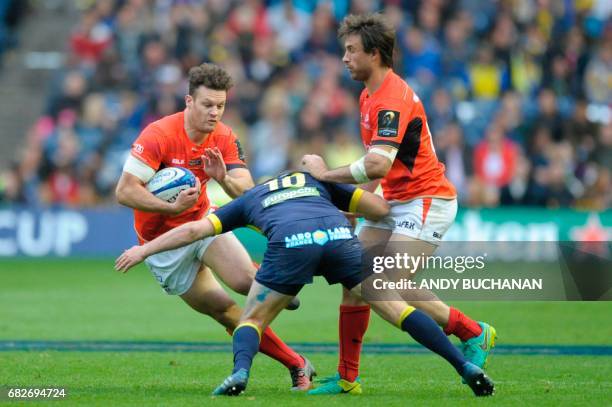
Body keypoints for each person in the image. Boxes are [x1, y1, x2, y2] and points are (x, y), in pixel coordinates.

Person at [115, 171, 495, 398]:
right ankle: (463, 367)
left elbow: (197, 228)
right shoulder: (317, 181)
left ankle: (240, 373)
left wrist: (144, 249)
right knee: (398, 309)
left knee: (251, 319)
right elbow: (376, 209)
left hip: (290, 246)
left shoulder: (250, 199)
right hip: (336, 237)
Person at [301, 13, 496, 394]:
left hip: (426, 200)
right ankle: (347, 379)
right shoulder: (369, 94)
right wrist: (359, 203)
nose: (344, 58)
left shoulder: (391, 99)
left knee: (385, 286)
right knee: (353, 278)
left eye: (351, 50)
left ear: (374, 54)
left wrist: (325, 175)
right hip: (392, 199)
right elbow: (379, 163)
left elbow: (376, 161)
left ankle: (472, 331)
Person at [114, 63, 314, 390]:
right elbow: (124, 191)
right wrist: (169, 206)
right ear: (189, 101)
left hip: (203, 222)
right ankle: (296, 362)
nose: (215, 113)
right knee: (225, 312)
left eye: (220, 106)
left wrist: (223, 178)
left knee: (244, 280)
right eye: (207, 105)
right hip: (163, 244)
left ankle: (275, 282)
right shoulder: (158, 135)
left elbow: (247, 191)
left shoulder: (223, 136)